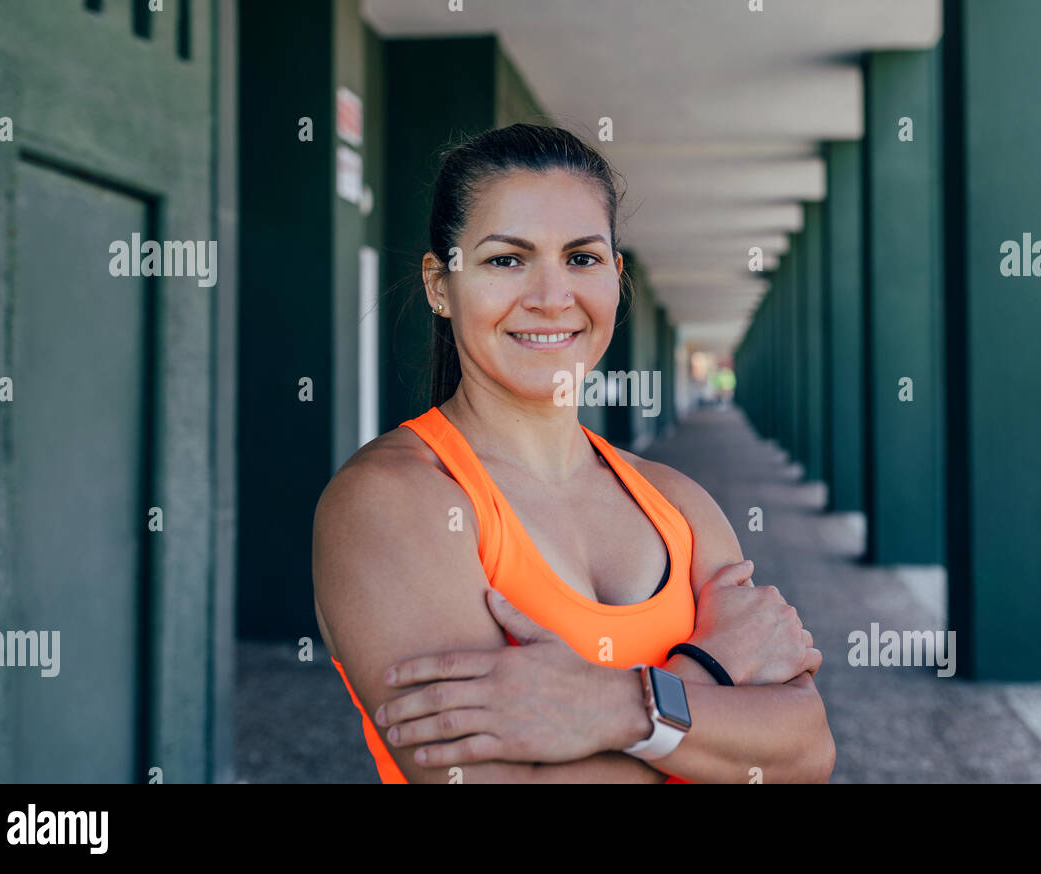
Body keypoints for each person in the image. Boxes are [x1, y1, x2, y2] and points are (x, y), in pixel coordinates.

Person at [311, 123, 834, 783]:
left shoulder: (676, 501)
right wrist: (704, 675)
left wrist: (616, 708)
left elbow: (805, 750)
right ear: (440, 284)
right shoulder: (391, 502)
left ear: (616, 278)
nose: (552, 297)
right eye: (507, 259)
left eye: (581, 258)